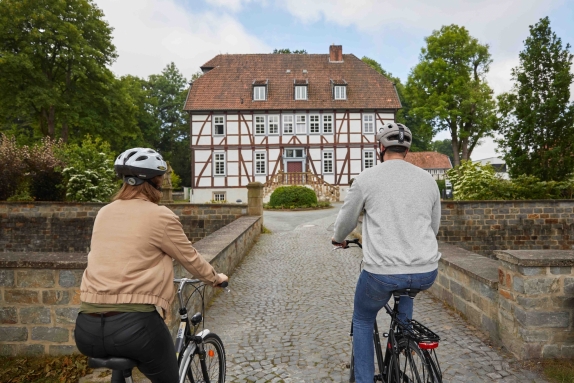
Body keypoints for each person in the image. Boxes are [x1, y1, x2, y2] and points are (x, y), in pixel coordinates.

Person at [74, 147, 228, 383]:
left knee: (121, 358)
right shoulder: (160, 215)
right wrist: (215, 278)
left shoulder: (104, 212)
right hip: (135, 328)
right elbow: (190, 258)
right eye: (162, 178)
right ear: (154, 182)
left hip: (86, 329)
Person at [331, 123, 441, 383]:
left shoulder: (367, 178)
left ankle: (365, 380)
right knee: (408, 284)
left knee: (363, 318)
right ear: (407, 150)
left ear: (380, 148)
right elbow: (433, 226)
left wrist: (338, 239)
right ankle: (403, 338)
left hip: (382, 274)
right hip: (426, 270)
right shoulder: (428, 180)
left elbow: (346, 221)